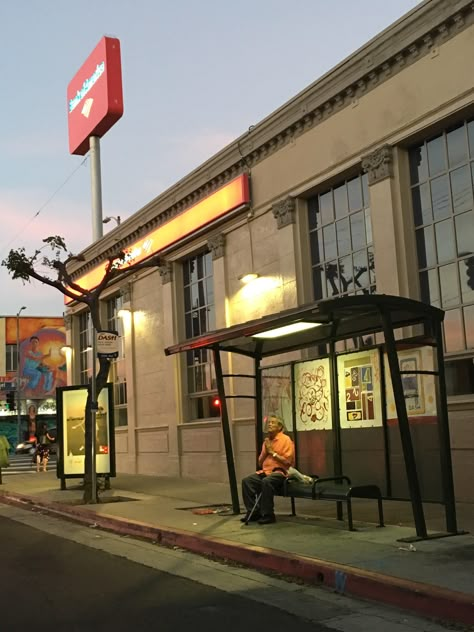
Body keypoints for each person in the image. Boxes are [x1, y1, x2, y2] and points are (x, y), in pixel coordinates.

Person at [241, 414, 295, 525]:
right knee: (247, 481)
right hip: (265, 471)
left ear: (279, 427)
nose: (269, 424)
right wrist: (266, 451)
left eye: (272, 423)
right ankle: (253, 511)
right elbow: (260, 463)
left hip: (280, 472)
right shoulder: (267, 441)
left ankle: (268, 514)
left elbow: (288, 461)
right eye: (269, 422)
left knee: (267, 481)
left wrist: (273, 453)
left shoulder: (286, 440)